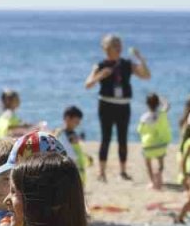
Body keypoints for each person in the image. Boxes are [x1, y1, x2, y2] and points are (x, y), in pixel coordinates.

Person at [84, 34, 151, 182]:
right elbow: (87, 85)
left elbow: (146, 76)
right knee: (105, 138)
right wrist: (100, 76)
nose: (118, 47)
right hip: (106, 104)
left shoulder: (127, 64)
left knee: (123, 139)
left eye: (119, 44)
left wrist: (141, 59)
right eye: (115, 44)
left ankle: (123, 172)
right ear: (106, 48)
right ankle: (102, 173)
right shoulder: (100, 65)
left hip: (123, 105)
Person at [138, 93, 172, 190]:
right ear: (158, 104)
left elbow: (140, 130)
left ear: (147, 104)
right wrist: (162, 100)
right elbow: (167, 105)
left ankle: (153, 182)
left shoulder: (144, 117)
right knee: (160, 161)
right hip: (161, 144)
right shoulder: (162, 114)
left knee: (148, 162)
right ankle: (159, 174)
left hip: (148, 145)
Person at [54, 106, 91, 183]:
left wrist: (86, 158)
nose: (78, 124)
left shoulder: (72, 134)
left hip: (79, 173)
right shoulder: (61, 135)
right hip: (71, 173)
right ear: (68, 118)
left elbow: (77, 152)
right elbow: (69, 154)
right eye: (76, 122)